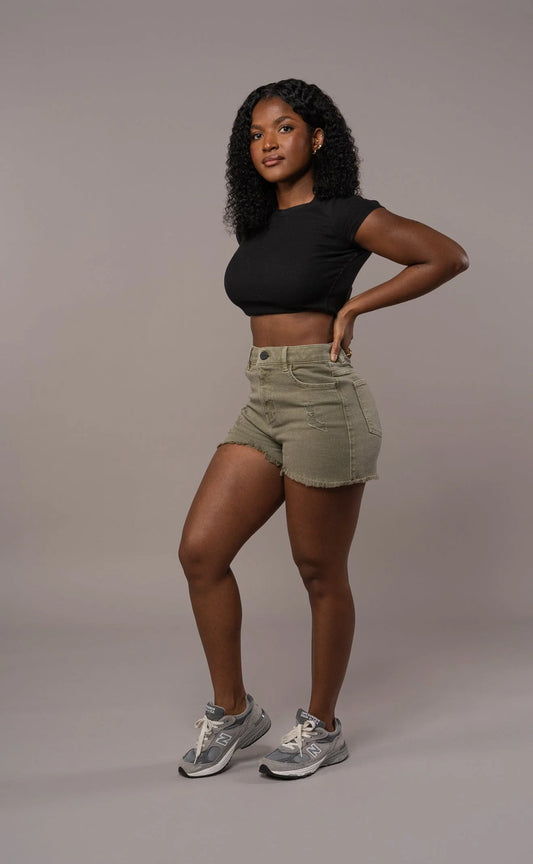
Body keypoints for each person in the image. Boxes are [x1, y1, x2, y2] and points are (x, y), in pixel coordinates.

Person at [177, 78, 469, 780]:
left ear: (316, 137)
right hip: (264, 397)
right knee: (201, 552)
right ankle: (235, 711)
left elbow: (445, 255)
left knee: (318, 570)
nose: (267, 143)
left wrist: (355, 307)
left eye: (282, 128)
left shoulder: (346, 213)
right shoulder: (257, 225)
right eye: (255, 134)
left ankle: (323, 726)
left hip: (322, 400)